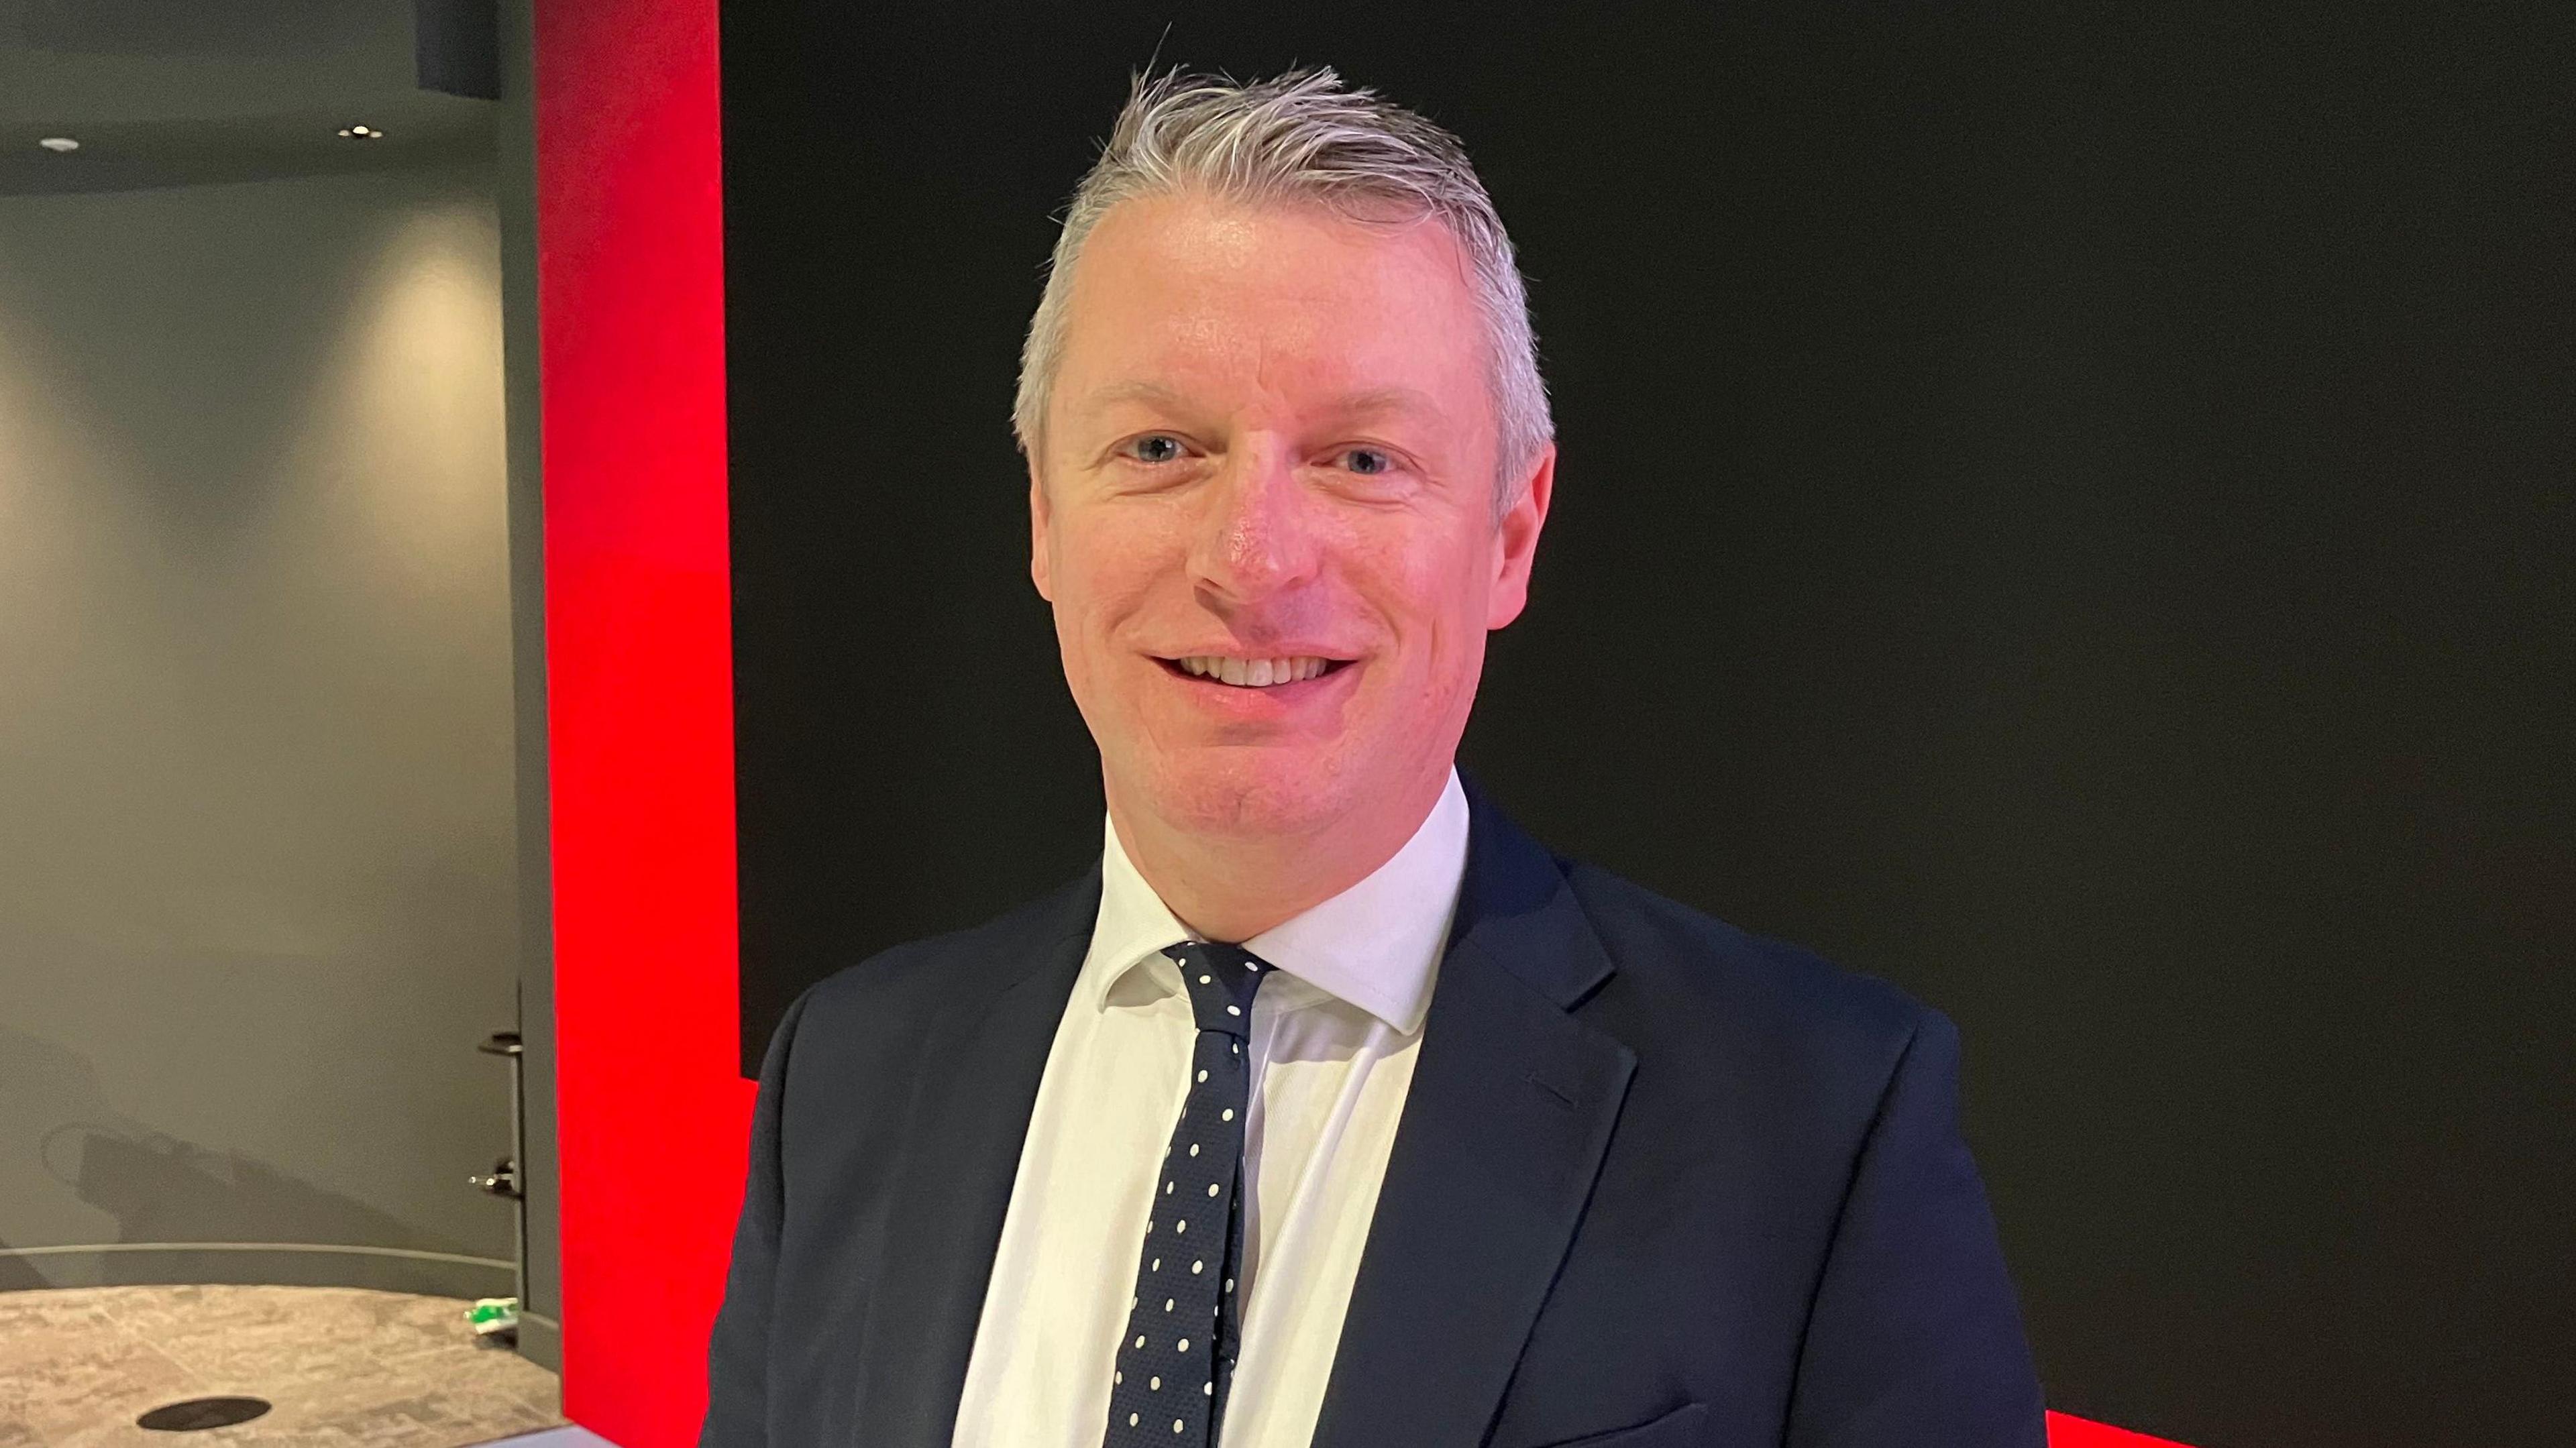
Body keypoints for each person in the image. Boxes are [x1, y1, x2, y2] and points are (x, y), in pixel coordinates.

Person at [700, 66, 2045, 1448]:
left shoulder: (1817, 1128)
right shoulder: (846, 1077)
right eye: (1160, 446)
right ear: (1046, 513)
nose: (1250, 561)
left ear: (1511, 534)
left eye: (1361, 459)